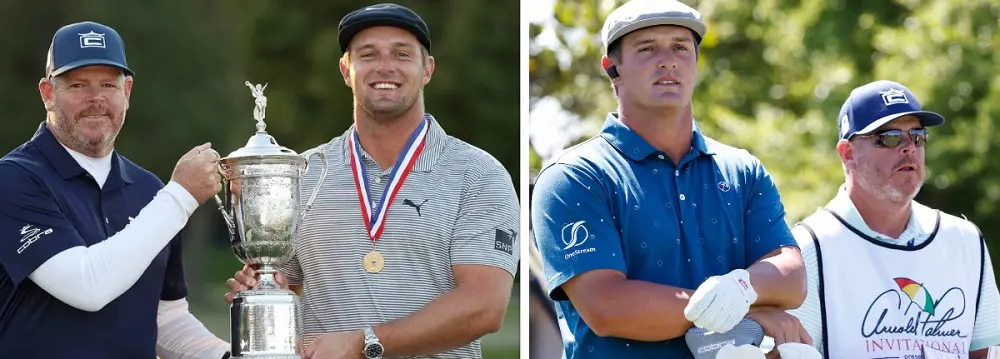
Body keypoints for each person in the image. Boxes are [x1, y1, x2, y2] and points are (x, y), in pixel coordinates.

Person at [223, 3, 520, 359]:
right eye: (368, 54)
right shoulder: (302, 172)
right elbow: (290, 287)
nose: (385, 66)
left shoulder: (478, 174)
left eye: (402, 54)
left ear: (427, 69)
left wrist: (363, 343)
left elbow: (484, 306)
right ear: (346, 70)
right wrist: (270, 290)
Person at [530, 0, 809, 358]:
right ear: (612, 69)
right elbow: (608, 307)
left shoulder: (743, 171)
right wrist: (744, 309)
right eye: (647, 49)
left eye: (681, 47)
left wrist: (738, 291)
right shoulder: (574, 177)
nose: (668, 60)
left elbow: (790, 277)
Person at [0, 21, 231, 358]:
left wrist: (229, 356)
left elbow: (164, 318)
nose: (96, 99)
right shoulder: (14, 180)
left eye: (109, 84)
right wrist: (181, 196)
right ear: (48, 94)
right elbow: (87, 285)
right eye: (78, 85)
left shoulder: (149, 190)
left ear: (127, 92)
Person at [787, 80, 1000, 359]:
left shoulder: (965, 240)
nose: (909, 147)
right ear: (848, 153)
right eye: (889, 137)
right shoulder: (808, 247)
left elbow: (985, 352)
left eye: (918, 136)